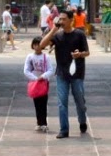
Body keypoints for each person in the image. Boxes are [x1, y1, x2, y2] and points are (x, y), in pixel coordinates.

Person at [44, 9, 90, 138]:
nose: (62, 21)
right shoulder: (58, 35)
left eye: (64, 19)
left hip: (77, 73)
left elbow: (87, 52)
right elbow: (42, 44)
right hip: (62, 74)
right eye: (60, 19)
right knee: (62, 103)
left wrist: (79, 54)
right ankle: (64, 129)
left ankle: (82, 120)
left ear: (71, 20)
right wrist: (53, 29)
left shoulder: (80, 34)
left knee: (80, 102)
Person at [22, 37, 53, 133]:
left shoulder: (46, 57)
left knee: (43, 103)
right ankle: (39, 122)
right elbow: (26, 70)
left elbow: (50, 69)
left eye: (39, 44)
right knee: (36, 103)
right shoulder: (30, 57)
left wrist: (43, 76)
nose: (37, 46)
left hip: (43, 83)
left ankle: (44, 123)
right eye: (35, 44)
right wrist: (35, 78)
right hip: (34, 83)